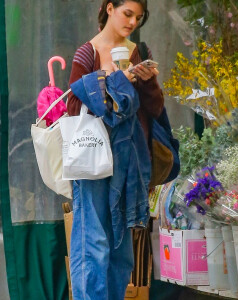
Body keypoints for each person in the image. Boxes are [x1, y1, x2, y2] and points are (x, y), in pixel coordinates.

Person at [67, 1, 164, 299]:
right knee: (93, 243)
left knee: (121, 248)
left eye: (139, 17)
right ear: (109, 9)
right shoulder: (88, 53)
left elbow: (156, 110)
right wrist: (111, 81)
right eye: (127, 13)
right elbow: (72, 107)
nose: (133, 22)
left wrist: (145, 84)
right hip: (93, 158)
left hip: (129, 160)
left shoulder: (139, 52)